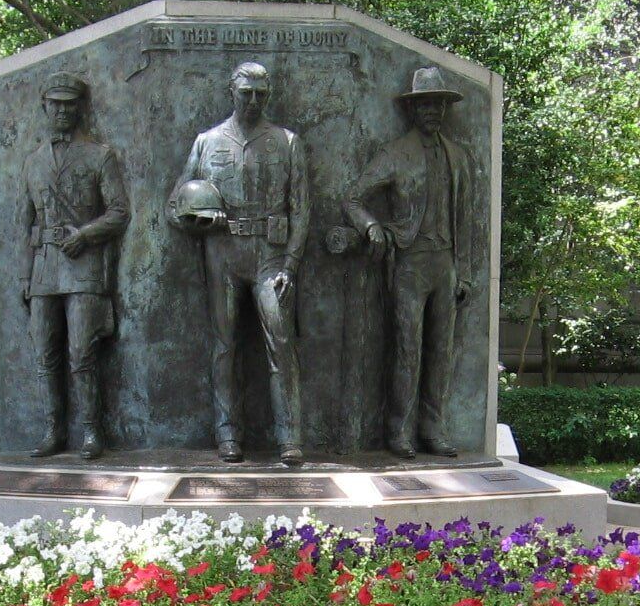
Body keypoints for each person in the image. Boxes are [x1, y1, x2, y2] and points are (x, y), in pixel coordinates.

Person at [167, 61, 309, 465]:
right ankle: (228, 435)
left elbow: (301, 210)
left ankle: (289, 438)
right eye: (246, 92)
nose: (253, 100)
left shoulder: (287, 141)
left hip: (271, 255)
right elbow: (174, 206)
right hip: (224, 253)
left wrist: (291, 266)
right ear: (232, 92)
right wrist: (194, 219)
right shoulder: (207, 142)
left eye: (260, 94)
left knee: (281, 343)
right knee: (224, 345)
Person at [343, 66, 473, 459]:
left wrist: (463, 271)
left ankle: (433, 428)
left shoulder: (458, 156)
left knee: (441, 351)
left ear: (445, 109)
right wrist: (370, 229)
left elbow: (465, 218)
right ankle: (398, 430)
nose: (432, 111)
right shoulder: (396, 153)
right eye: (425, 105)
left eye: (438, 104)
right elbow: (353, 198)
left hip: (445, 263)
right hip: (409, 263)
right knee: (407, 348)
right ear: (413, 110)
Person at [20, 74, 129, 459]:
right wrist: (25, 276)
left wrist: (85, 235)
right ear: (45, 107)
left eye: (69, 104)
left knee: (81, 353)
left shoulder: (100, 156)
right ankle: (53, 431)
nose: (63, 110)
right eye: (56, 103)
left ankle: (89, 431)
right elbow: (26, 222)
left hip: (83, 268)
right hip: (45, 270)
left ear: (80, 107)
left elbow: (119, 212)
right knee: (44, 354)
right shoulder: (33, 161)